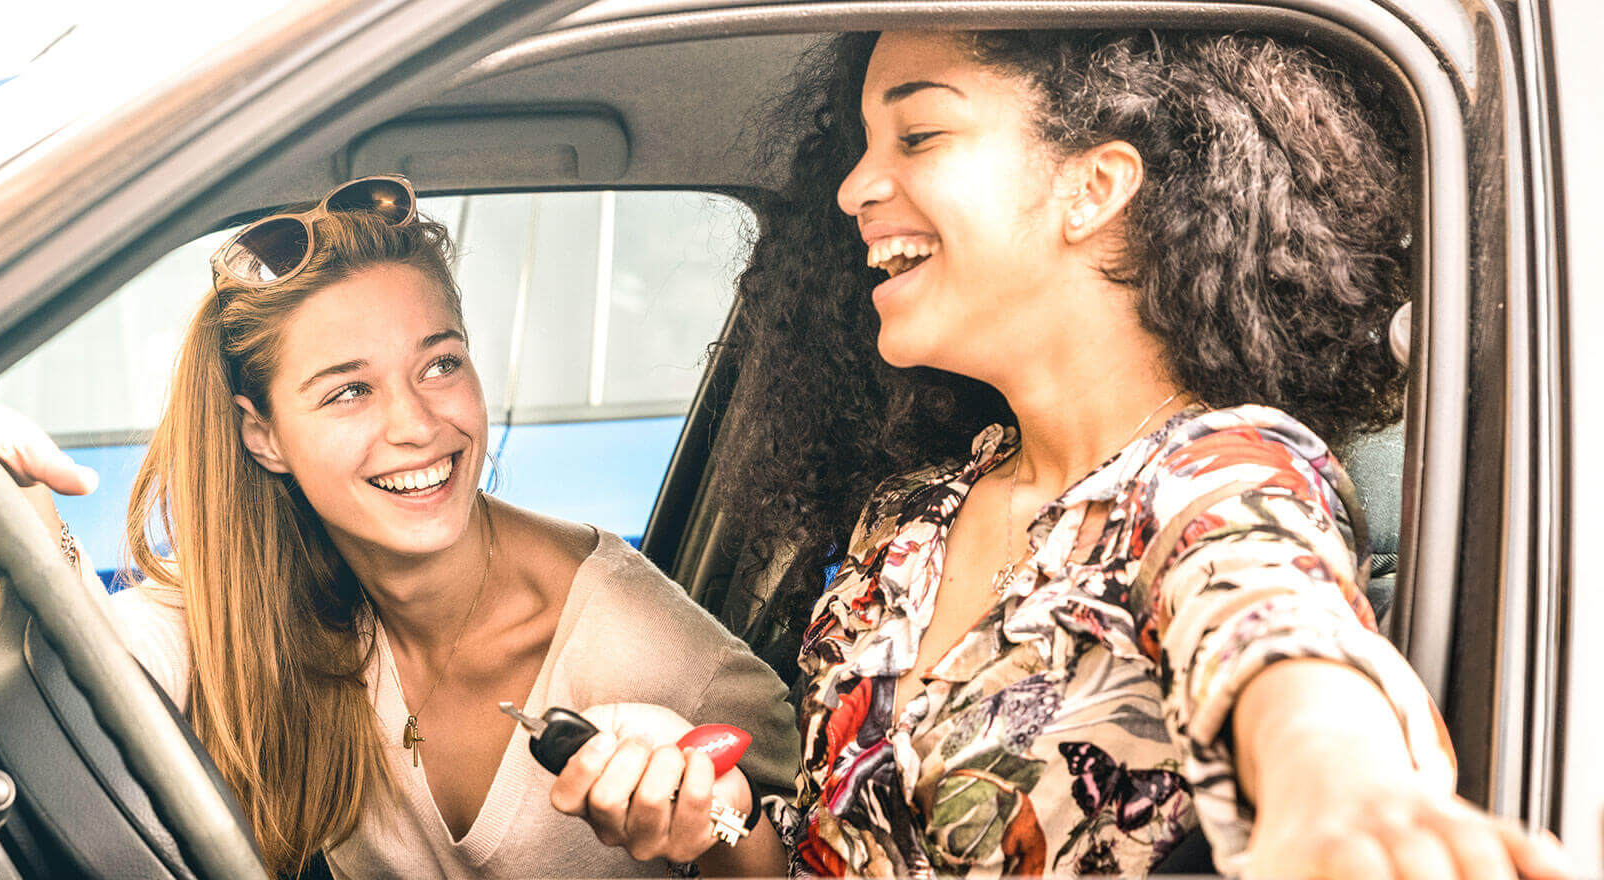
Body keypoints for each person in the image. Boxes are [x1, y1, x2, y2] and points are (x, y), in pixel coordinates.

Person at [551, 29, 1578, 879]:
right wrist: (715, 814)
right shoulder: (904, 525)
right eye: (867, 145)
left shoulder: (1211, 475)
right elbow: (842, 851)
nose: (857, 186)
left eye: (918, 133)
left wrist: (1338, 795)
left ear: (1095, 186)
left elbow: (1273, 627)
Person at [0, 175, 797, 879]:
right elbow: (92, 682)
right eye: (349, 389)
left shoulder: (660, 657)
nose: (417, 424)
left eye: (440, 364)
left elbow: (796, 854)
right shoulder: (281, 600)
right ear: (263, 433)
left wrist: (720, 826)